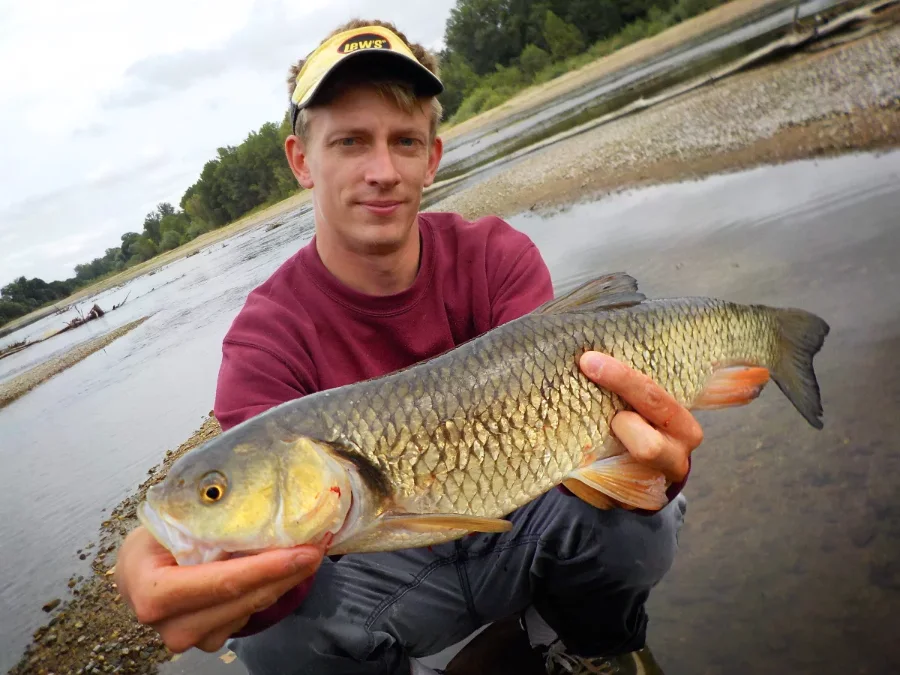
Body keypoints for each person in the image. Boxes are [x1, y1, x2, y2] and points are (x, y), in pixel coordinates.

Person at [115, 19, 702, 675]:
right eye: (350, 142)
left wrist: (655, 460)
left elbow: (586, 433)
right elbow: (281, 576)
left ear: (433, 156)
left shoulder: (495, 257)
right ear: (302, 160)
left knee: (645, 515)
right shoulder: (264, 339)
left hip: (518, 523)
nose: (383, 171)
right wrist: (180, 557)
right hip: (380, 571)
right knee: (270, 644)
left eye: (404, 142)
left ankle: (584, 642)